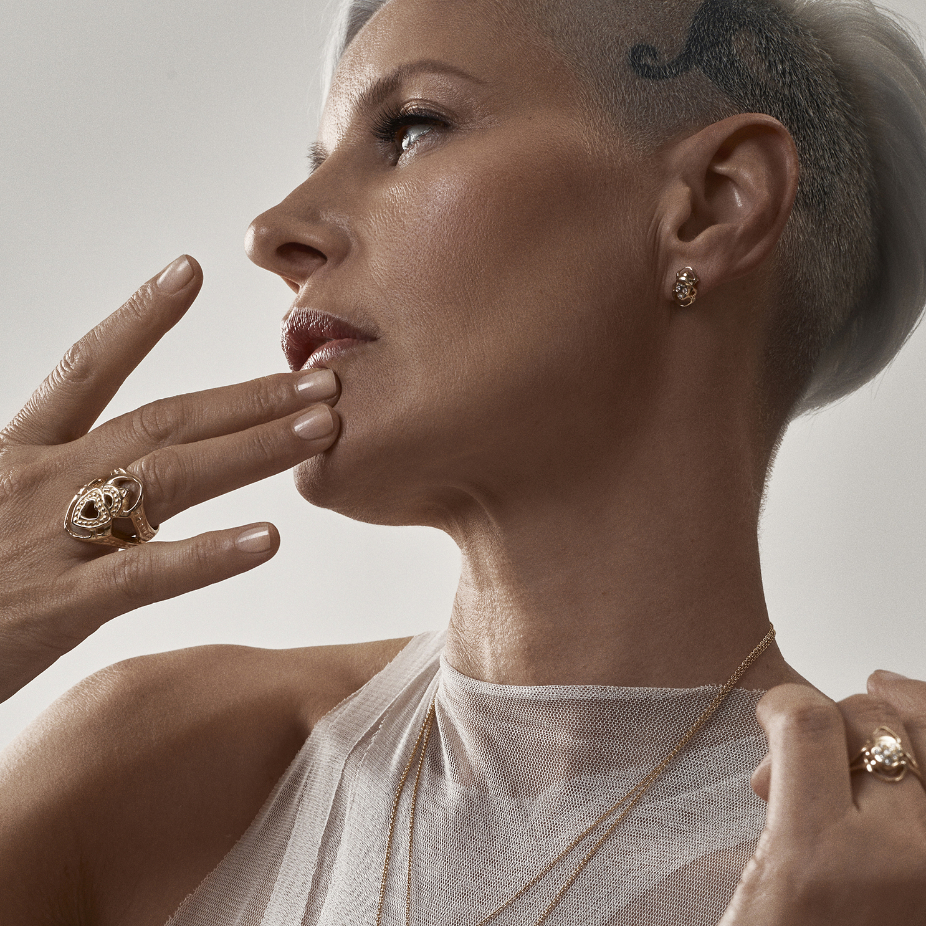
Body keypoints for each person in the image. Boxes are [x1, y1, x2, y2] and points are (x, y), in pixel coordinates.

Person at [1, 0, 925, 922]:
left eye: (411, 130)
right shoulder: (153, 769)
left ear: (713, 206)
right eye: (318, 162)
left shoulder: (883, 869)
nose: (274, 232)